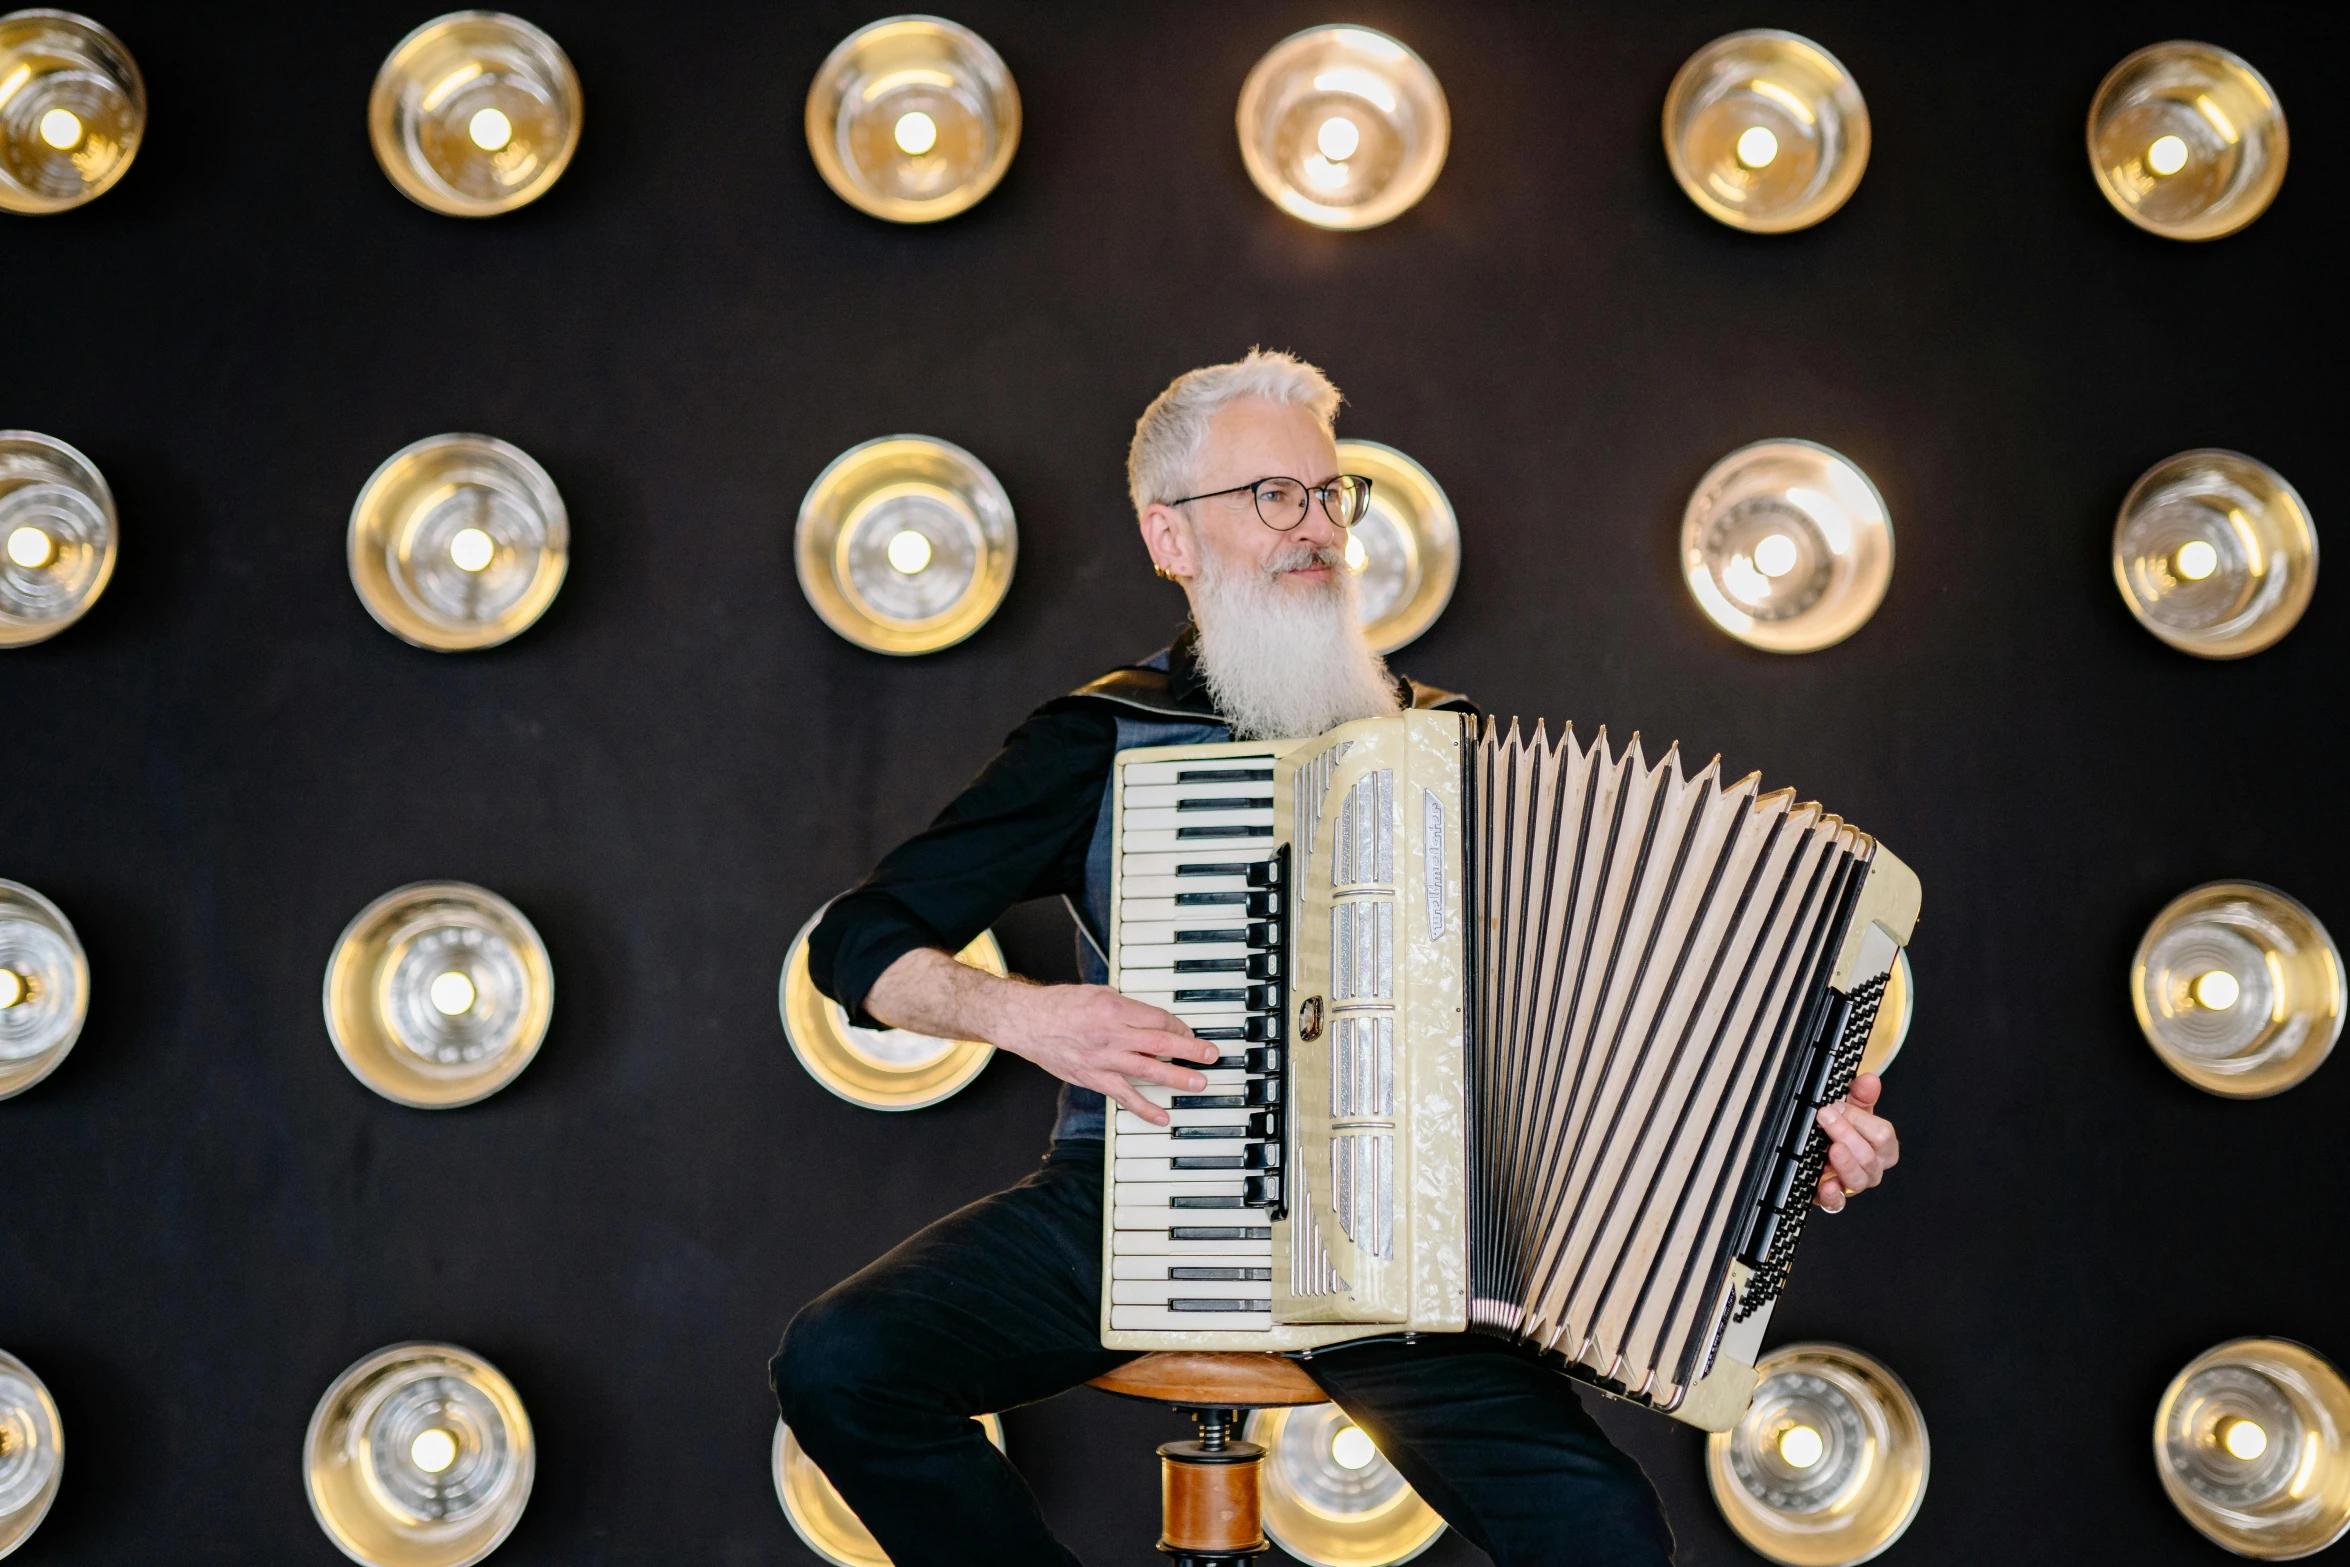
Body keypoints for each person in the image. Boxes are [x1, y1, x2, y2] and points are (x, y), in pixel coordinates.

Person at [771, 350, 1901, 1566]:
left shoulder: (1447, 744)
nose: (1315, 529)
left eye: (1327, 494)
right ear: (1170, 536)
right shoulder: (1103, 739)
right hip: (1143, 1203)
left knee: (1608, 1537)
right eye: (1271, 496)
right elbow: (856, 942)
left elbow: (1598, 1023)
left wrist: (1786, 1133)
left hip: (1401, 1246)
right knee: (842, 1362)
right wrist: (1032, 1017)